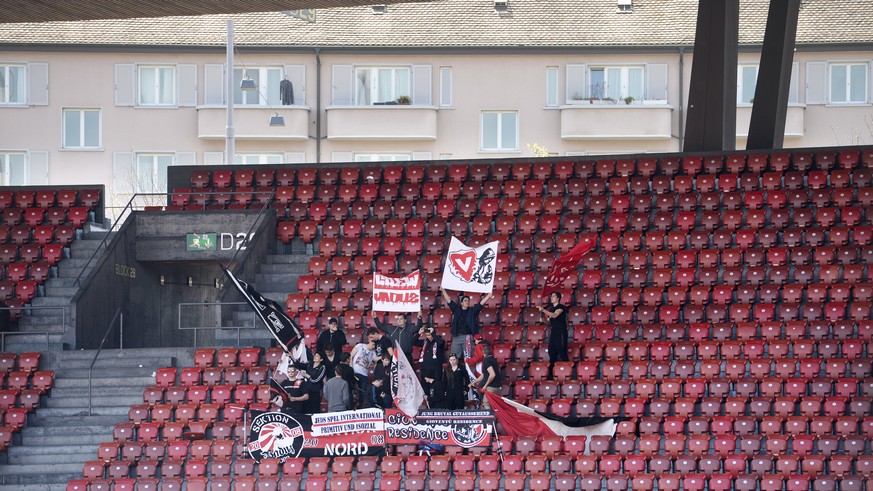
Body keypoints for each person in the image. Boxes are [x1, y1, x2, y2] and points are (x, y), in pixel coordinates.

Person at [440, 287, 494, 360]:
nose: (467, 302)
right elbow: (449, 301)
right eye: (465, 300)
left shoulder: (472, 311)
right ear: (461, 303)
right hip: (457, 336)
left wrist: (488, 296)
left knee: (469, 357)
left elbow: (480, 304)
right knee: (453, 357)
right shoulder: (457, 309)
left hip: (468, 337)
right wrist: (443, 291)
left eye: (468, 301)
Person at [537, 292, 569, 366]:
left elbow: (555, 315)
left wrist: (544, 310)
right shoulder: (551, 309)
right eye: (551, 296)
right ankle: (551, 373)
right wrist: (543, 321)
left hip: (561, 332)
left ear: (558, 298)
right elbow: (549, 323)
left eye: (553, 296)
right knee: (551, 352)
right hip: (553, 333)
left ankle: (567, 368)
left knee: (562, 351)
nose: (551, 297)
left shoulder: (561, 307)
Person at [413, 326, 446, 397]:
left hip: (436, 369)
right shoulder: (425, 342)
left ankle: (437, 403)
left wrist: (433, 334)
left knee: (437, 387)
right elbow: (413, 342)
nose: (428, 337)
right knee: (425, 388)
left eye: (430, 335)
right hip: (425, 369)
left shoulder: (439, 340)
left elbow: (440, 343)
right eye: (427, 335)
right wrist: (419, 333)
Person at [350, 338, 378, 408]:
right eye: (373, 344)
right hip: (355, 372)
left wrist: (383, 356)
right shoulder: (360, 346)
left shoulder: (373, 352)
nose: (373, 346)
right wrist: (351, 369)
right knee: (353, 391)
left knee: (362, 392)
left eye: (375, 345)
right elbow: (350, 356)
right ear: (369, 341)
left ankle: (361, 407)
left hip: (364, 374)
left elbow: (376, 359)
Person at [472, 343, 502, 409]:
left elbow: (492, 374)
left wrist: (485, 385)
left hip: (491, 386)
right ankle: (496, 418)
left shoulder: (486, 360)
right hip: (497, 386)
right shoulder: (492, 358)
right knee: (495, 405)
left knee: (486, 403)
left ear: (482, 352)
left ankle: (490, 419)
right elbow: (484, 374)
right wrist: (474, 382)